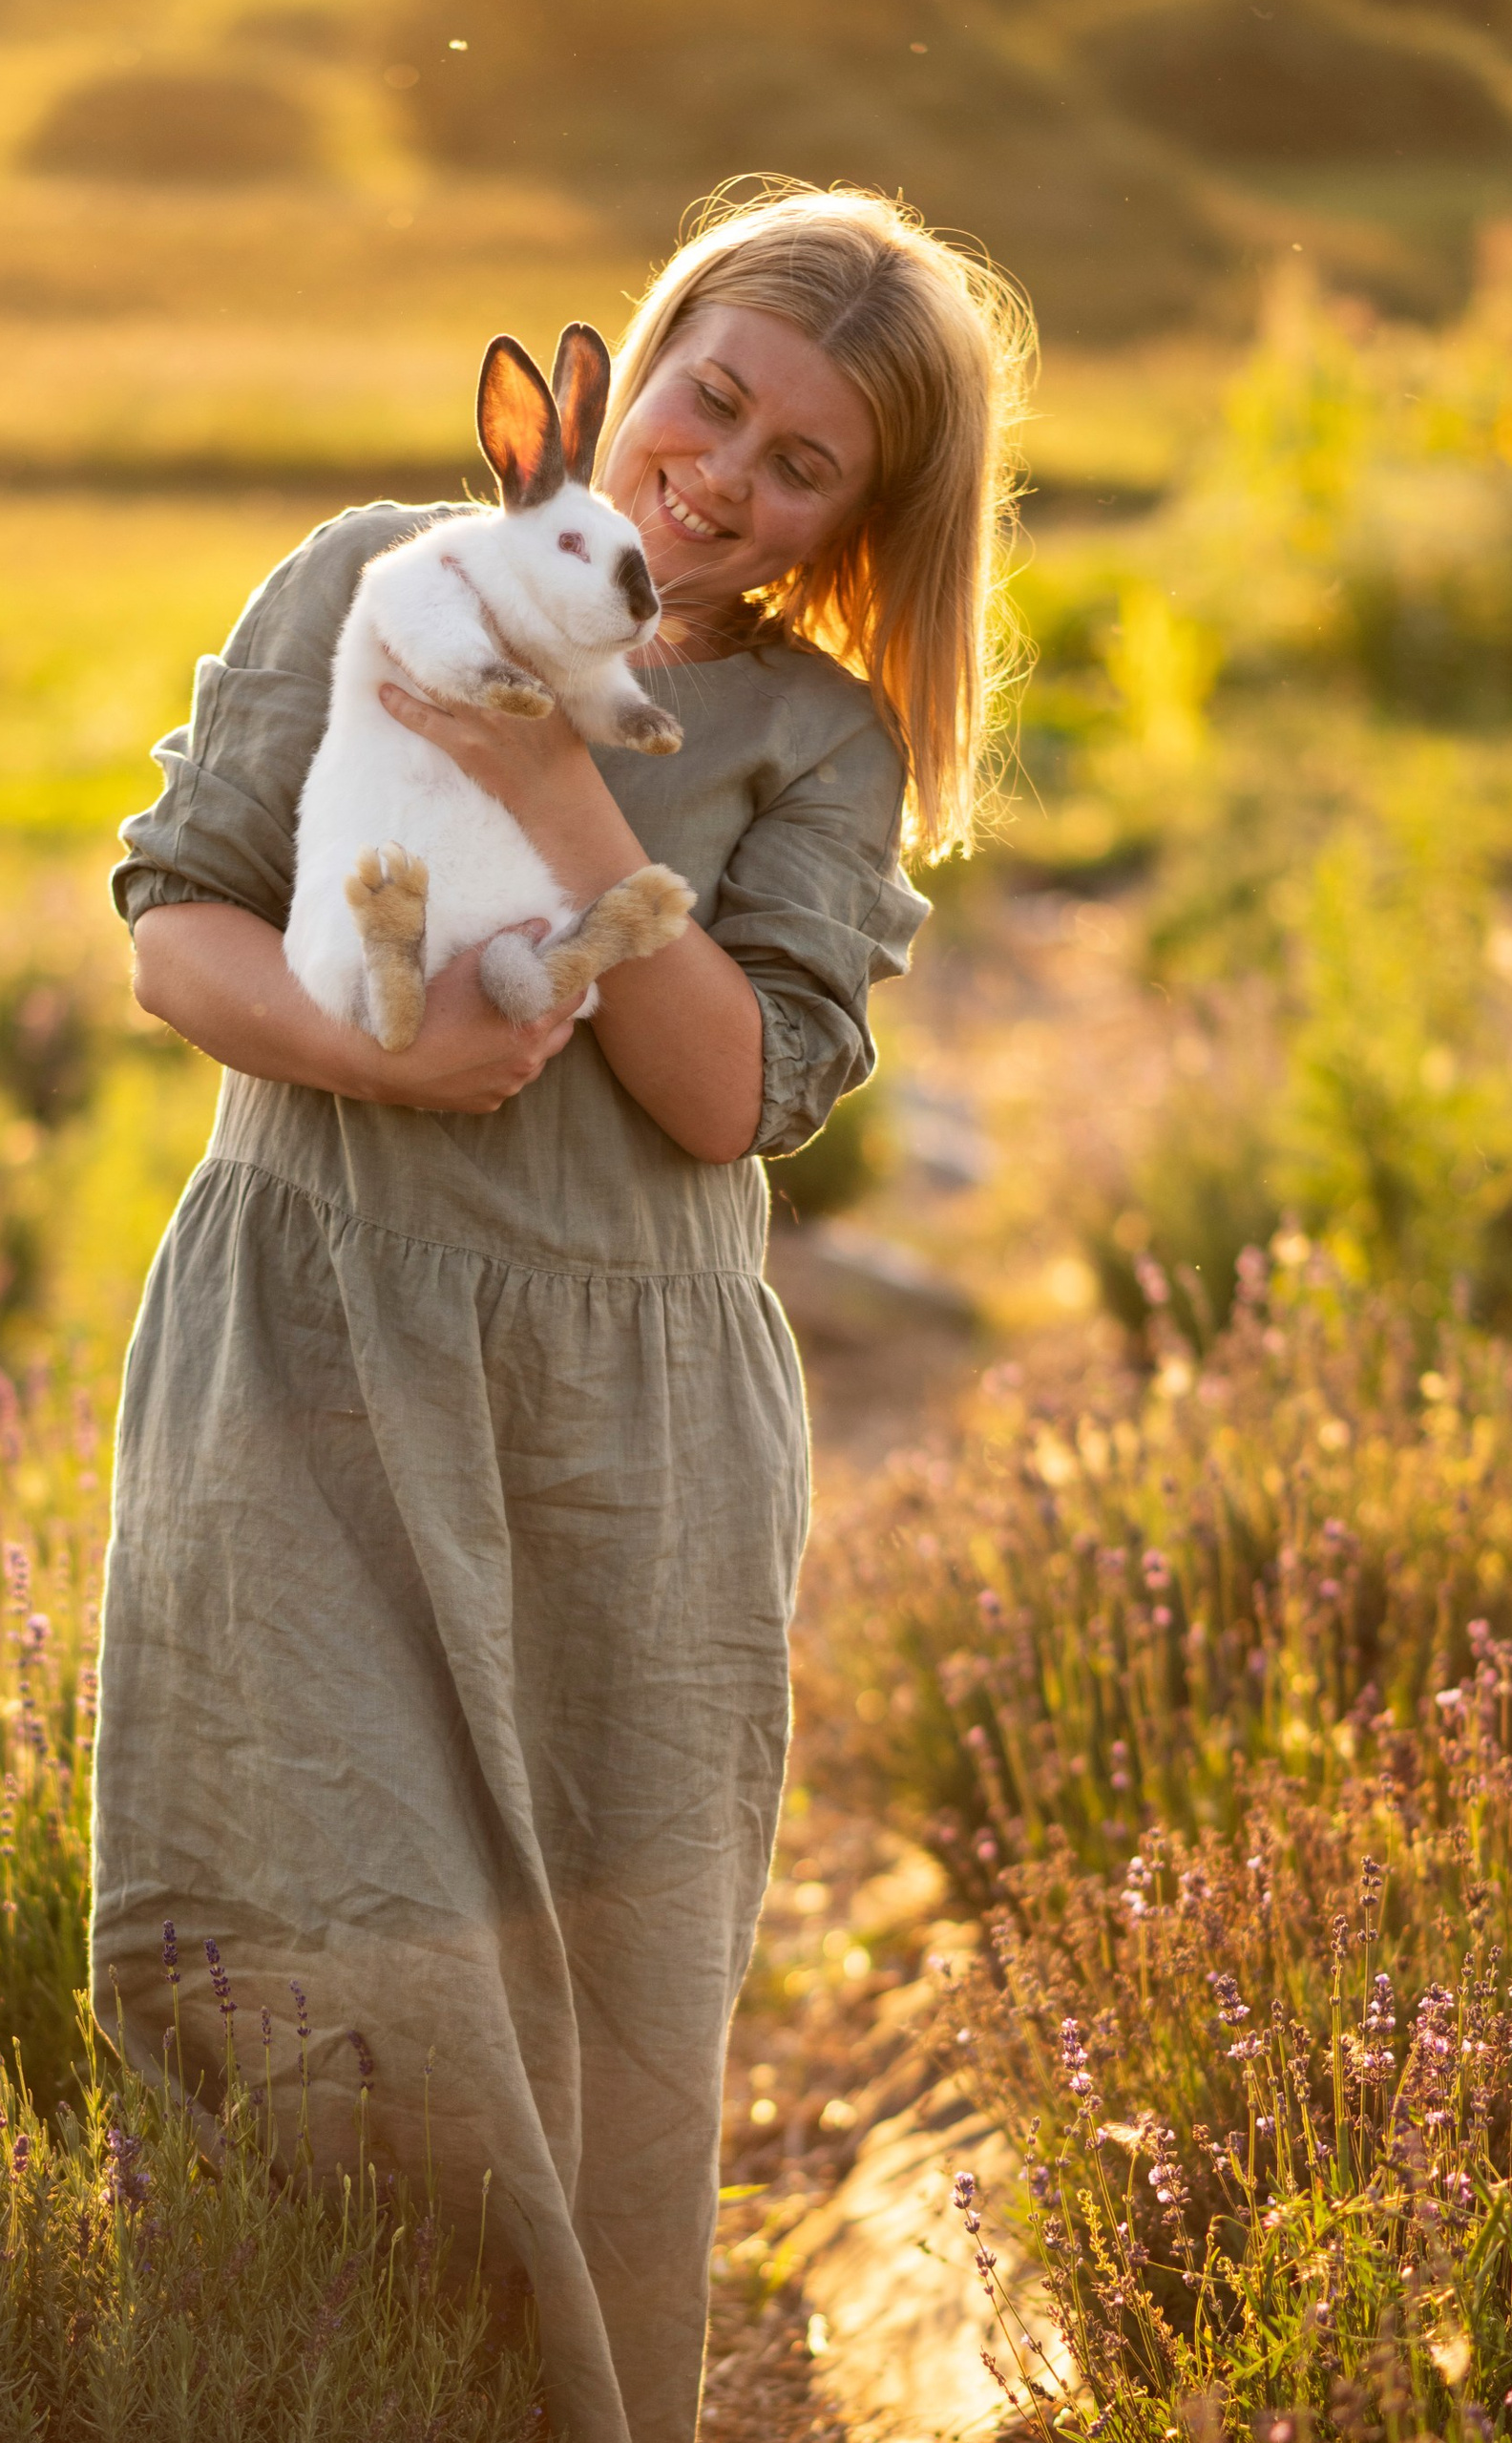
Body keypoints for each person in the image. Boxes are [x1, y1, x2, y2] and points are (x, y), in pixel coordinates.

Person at [91, 181, 1028, 2442]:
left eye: (799, 466)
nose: (720, 476)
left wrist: (549, 778)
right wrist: (383, 1058)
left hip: (623, 1424)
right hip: (308, 1338)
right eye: (712, 400)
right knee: (291, 1936)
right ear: (643, 355)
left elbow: (731, 1094)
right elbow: (179, 927)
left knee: (599, 2023)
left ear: (857, 520)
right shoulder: (372, 579)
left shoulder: (818, 736)